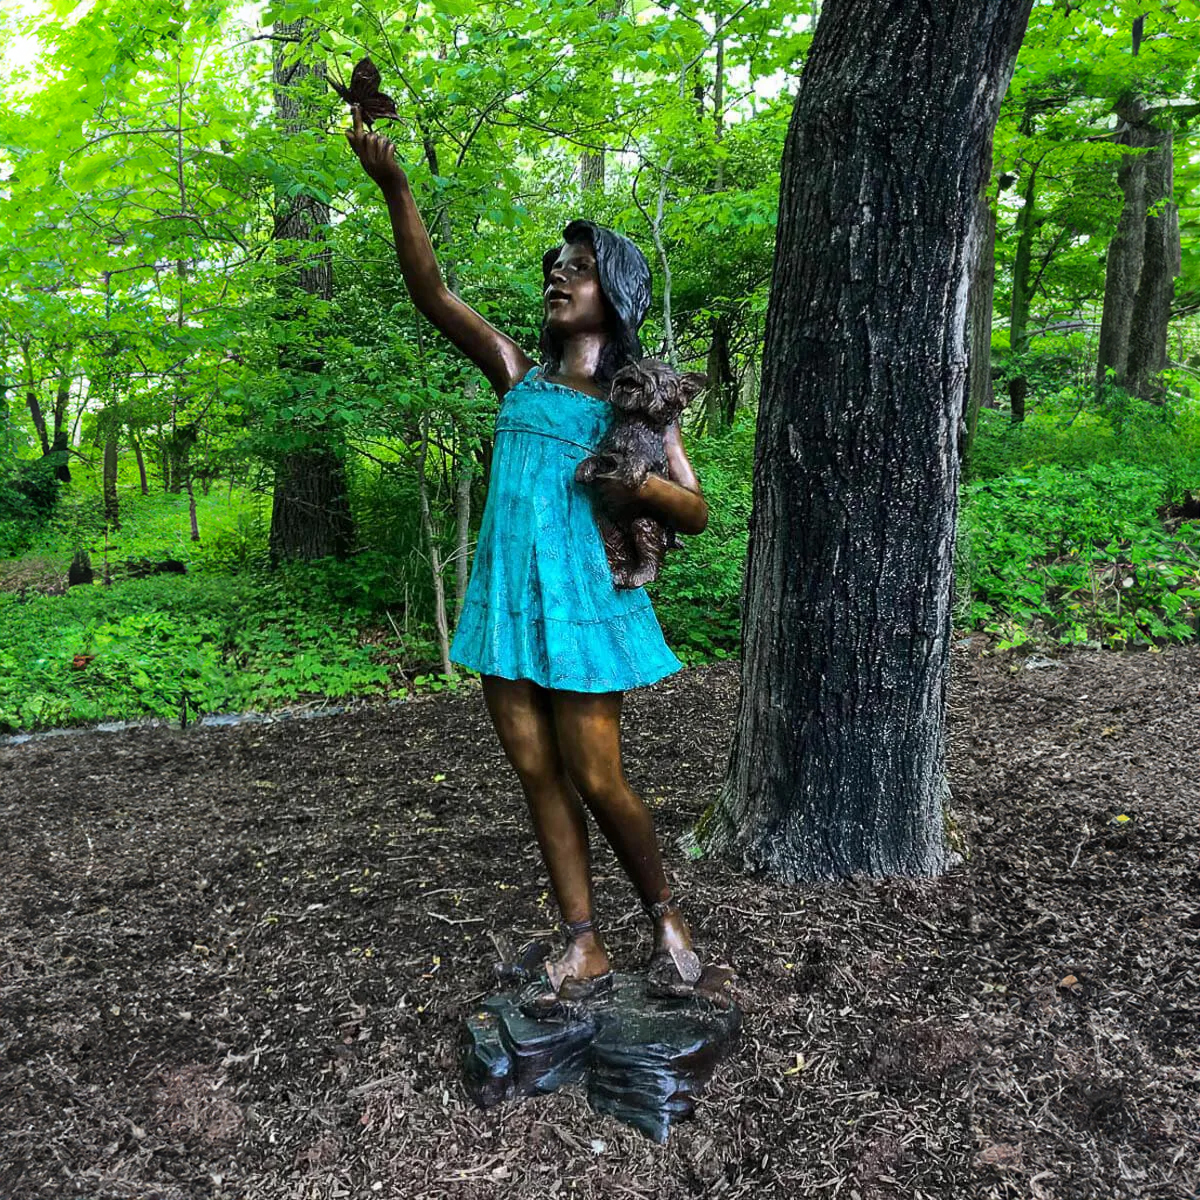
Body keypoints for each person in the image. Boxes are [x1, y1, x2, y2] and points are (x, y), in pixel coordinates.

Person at [347, 106, 708, 1002]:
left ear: (613, 291)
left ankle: (663, 909)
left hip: (584, 600)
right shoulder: (516, 372)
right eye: (554, 267)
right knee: (535, 769)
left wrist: (640, 489)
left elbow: (694, 510)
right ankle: (582, 941)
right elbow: (432, 293)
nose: (559, 276)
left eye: (579, 270)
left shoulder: (634, 406)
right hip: (509, 599)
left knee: (597, 772)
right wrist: (395, 185)